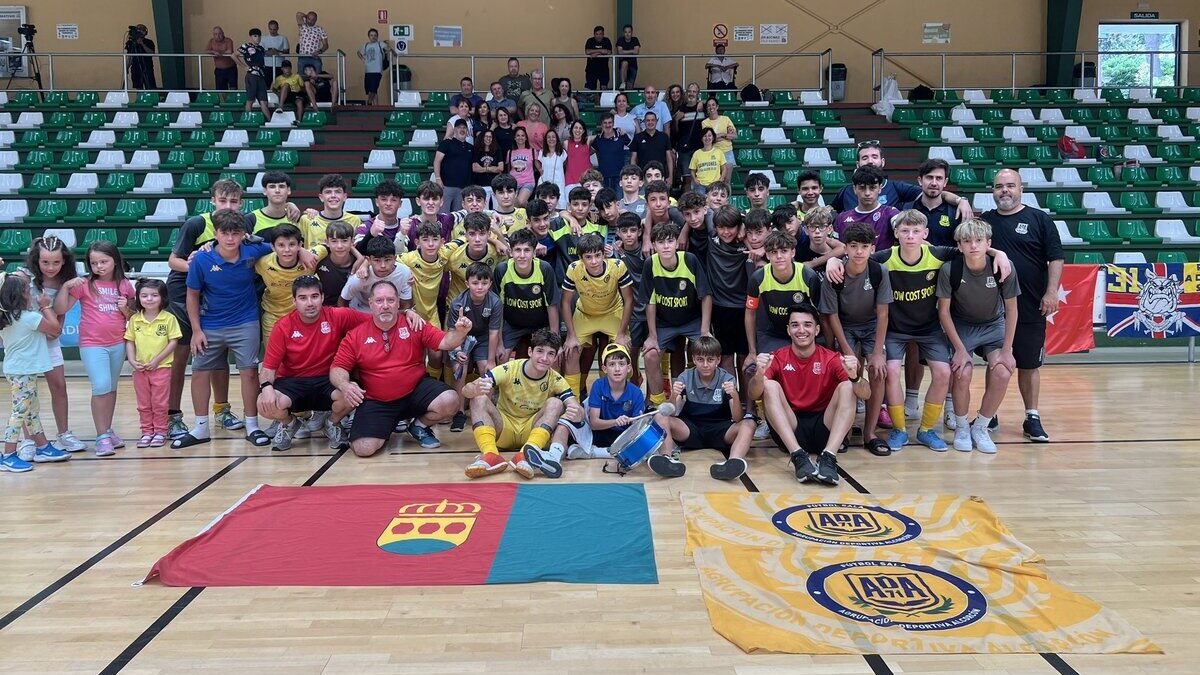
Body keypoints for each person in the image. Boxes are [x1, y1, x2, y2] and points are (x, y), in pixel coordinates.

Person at [173, 209, 281, 449]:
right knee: (200, 372)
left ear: (243, 234)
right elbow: (192, 295)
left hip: (246, 322)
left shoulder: (253, 251)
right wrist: (197, 330)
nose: (230, 238)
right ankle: (201, 427)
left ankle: (252, 425)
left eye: (236, 233)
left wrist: (303, 249)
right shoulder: (202, 258)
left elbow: (281, 245)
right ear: (217, 234)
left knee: (250, 372)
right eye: (225, 233)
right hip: (209, 324)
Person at [331, 281, 471, 456]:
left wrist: (459, 333)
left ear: (398, 303)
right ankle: (384, 427)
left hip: (414, 391)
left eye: (390, 300)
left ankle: (419, 426)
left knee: (450, 399)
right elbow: (337, 369)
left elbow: (446, 342)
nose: (385, 306)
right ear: (371, 303)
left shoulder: (414, 324)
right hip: (377, 400)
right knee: (363, 449)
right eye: (380, 301)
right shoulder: (356, 335)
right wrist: (345, 385)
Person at [981, 169, 1063, 443]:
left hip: (1030, 306)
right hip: (994, 309)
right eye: (999, 186)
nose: (1004, 191)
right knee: (995, 363)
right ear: (993, 190)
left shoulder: (1039, 219)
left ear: (1021, 189)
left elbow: (1055, 259)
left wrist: (1051, 292)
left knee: (1029, 365)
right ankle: (989, 414)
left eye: (1010, 186)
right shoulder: (987, 221)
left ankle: (1032, 416)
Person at [749, 304, 863, 486]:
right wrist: (759, 374)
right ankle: (798, 456)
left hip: (825, 427)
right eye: (795, 325)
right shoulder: (777, 357)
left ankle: (829, 456)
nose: (801, 330)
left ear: (817, 329)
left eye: (807, 325)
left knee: (849, 386)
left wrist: (855, 377)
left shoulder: (832, 358)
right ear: (788, 330)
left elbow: (866, 393)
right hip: (791, 428)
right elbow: (754, 393)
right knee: (768, 385)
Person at [259, 275, 373, 451]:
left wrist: (407, 313)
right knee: (263, 403)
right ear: (294, 301)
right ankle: (289, 424)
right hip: (293, 382)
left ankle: (332, 423)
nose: (310, 303)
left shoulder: (337, 316)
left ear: (322, 297)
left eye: (314, 296)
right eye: (303, 298)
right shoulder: (282, 327)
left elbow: (376, 319)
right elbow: (268, 368)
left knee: (354, 394)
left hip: (327, 380)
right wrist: (266, 388)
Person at [937, 219, 1020, 454]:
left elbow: (1012, 309)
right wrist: (961, 350)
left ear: (988, 243)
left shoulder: (1002, 266)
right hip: (962, 326)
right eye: (967, 241)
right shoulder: (950, 269)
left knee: (1003, 370)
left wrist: (1007, 349)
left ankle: (981, 426)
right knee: (962, 372)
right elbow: (943, 312)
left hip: (994, 325)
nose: (973, 245)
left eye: (979, 240)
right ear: (959, 246)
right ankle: (962, 426)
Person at [463, 328, 582, 479]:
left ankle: (526, 454)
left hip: (531, 430)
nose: (544, 358)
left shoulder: (556, 379)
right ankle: (491, 455)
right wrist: (475, 389)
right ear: (530, 351)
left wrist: (577, 412)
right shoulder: (509, 369)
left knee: (555, 403)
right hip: (503, 427)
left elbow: (576, 407)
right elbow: (465, 390)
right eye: (540, 351)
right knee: (478, 397)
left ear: (555, 357)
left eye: (550, 353)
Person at [818, 221, 893, 456]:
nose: (859, 251)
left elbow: (883, 314)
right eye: (853, 246)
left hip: (871, 326)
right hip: (845, 326)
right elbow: (832, 316)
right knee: (847, 374)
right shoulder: (834, 274)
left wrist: (878, 352)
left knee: (879, 372)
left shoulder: (879, 271)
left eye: (864, 246)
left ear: (872, 248)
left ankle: (870, 433)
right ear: (846, 249)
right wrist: (848, 351)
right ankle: (844, 432)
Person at [55, 241, 135, 457]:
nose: (99, 266)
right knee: (100, 386)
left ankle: (107, 429)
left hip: (117, 342)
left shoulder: (125, 285)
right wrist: (65, 287)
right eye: (94, 263)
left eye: (104, 261)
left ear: (115, 261)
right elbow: (61, 308)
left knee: (110, 387)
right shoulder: (84, 285)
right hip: (92, 344)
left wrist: (125, 308)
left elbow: (134, 317)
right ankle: (101, 437)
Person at [647, 335, 757, 480]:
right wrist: (674, 395)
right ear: (693, 359)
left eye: (710, 360)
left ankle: (733, 462)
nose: (705, 364)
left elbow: (737, 419)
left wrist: (735, 396)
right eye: (700, 359)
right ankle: (666, 459)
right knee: (660, 416)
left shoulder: (727, 378)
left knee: (749, 423)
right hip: (690, 430)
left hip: (721, 430)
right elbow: (671, 413)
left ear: (718, 360)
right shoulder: (685, 377)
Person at [13, 237, 85, 453]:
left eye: (56, 262)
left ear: (64, 261)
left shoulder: (69, 280)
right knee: (27, 392)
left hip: (49, 337)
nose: (51, 267)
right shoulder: (21, 277)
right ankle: (28, 440)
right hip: (25, 341)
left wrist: (55, 328)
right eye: (45, 262)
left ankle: (64, 434)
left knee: (59, 386)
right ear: (36, 259)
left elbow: (60, 314)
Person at [0, 274, 68, 471]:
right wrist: (46, 306)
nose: (31, 294)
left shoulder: (7, 317)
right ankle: (8, 455)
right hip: (23, 371)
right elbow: (55, 330)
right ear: (20, 295)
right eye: (28, 291)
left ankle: (43, 446)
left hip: (17, 369)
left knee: (31, 410)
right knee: (20, 411)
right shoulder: (30, 318)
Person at [641, 222, 711, 408]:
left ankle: (703, 402)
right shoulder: (651, 264)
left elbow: (706, 295)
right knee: (650, 355)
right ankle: (658, 404)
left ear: (676, 244)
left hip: (692, 320)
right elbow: (650, 301)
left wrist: (704, 331)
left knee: (706, 350)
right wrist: (652, 336)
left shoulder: (689, 260)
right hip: (665, 323)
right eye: (661, 242)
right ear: (653, 245)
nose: (665, 246)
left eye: (670, 241)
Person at [561, 233, 635, 399]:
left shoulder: (617, 266)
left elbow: (629, 300)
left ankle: (615, 396)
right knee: (571, 350)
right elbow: (565, 302)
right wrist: (571, 336)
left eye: (597, 255)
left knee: (621, 350)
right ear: (581, 258)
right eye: (588, 257)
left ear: (604, 254)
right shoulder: (574, 269)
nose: (594, 261)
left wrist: (622, 334)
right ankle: (573, 398)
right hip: (585, 314)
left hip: (612, 312)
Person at [831, 141, 975, 222]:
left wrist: (961, 200)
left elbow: (934, 192)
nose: (870, 161)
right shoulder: (846, 190)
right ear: (857, 164)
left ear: (882, 162)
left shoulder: (896, 187)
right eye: (865, 158)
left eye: (874, 156)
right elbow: (830, 210)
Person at [124, 279, 182, 449]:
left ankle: (161, 432)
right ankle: (146, 432)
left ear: (163, 298)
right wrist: (133, 361)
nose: (149, 299)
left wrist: (157, 360)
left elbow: (173, 342)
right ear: (138, 298)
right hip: (140, 371)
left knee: (160, 403)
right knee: (143, 403)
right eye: (144, 295)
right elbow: (130, 342)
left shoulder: (169, 318)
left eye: (154, 295)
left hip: (161, 369)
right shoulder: (135, 319)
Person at [834, 165, 901, 250]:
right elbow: (836, 249)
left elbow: (904, 229)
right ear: (854, 189)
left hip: (882, 263)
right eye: (862, 188)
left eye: (872, 187)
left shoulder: (890, 213)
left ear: (880, 188)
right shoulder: (842, 218)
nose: (867, 193)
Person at [340, 237, 413, 312]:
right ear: (369, 260)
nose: (383, 265)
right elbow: (342, 302)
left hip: (391, 313)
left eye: (387, 260)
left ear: (394, 259)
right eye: (377, 260)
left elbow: (405, 307)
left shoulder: (404, 273)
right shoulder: (359, 277)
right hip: (362, 311)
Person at [902, 158, 959, 247]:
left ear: (945, 182)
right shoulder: (904, 210)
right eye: (929, 177)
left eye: (939, 178)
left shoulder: (956, 213)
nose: (934, 183)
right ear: (920, 180)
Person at [434, 119, 475, 211]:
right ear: (454, 129)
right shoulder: (446, 143)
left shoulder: (470, 147)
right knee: (443, 214)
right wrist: (438, 178)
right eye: (459, 127)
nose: (462, 129)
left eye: (464, 127)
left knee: (459, 216)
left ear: (467, 130)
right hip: (447, 186)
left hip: (463, 187)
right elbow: (437, 161)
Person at [237, 29, 272, 121]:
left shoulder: (260, 48)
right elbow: (233, 55)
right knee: (250, 100)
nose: (257, 38)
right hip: (252, 75)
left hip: (261, 76)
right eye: (255, 36)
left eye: (259, 36)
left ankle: (270, 122)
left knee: (264, 102)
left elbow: (266, 54)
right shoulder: (246, 46)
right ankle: (247, 121)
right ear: (251, 37)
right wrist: (243, 66)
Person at [630, 112, 673, 187]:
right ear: (644, 122)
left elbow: (669, 159)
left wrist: (671, 177)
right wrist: (635, 176)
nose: (650, 122)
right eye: (648, 120)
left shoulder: (664, 137)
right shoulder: (638, 137)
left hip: (661, 177)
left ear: (657, 121)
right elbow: (633, 159)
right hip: (643, 178)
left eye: (653, 120)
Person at [701, 97, 737, 184]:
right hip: (713, 153)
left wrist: (721, 135)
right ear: (707, 109)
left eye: (713, 105)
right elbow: (708, 139)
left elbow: (734, 136)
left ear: (717, 106)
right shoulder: (705, 122)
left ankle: (727, 198)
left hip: (727, 152)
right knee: (715, 181)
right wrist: (723, 135)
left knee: (727, 181)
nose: (711, 107)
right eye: (709, 106)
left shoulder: (726, 119)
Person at [688, 127, 726, 194]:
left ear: (713, 137)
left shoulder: (719, 152)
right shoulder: (697, 153)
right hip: (700, 185)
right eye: (704, 136)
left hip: (715, 185)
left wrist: (721, 179)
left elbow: (724, 168)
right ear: (701, 138)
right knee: (700, 203)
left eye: (709, 135)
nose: (707, 138)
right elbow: (692, 170)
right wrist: (694, 179)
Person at [358, 29, 389, 106]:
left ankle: (369, 102)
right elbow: (358, 52)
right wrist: (362, 59)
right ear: (369, 36)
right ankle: (375, 106)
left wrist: (389, 53)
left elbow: (388, 49)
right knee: (371, 90)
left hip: (377, 70)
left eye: (375, 35)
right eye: (371, 35)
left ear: (377, 36)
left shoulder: (381, 44)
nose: (373, 37)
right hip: (368, 71)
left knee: (373, 88)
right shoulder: (365, 46)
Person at [125, 24, 157, 90]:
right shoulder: (131, 43)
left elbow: (151, 53)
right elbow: (130, 57)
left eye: (143, 30)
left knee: (150, 88)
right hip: (136, 70)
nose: (141, 32)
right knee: (139, 89)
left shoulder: (149, 42)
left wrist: (142, 43)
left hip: (147, 68)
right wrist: (126, 68)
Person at [207, 27, 237, 96]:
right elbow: (206, 51)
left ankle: (233, 104)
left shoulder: (228, 40)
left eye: (220, 34)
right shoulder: (211, 41)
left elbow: (229, 51)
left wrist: (219, 53)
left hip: (231, 68)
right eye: (216, 34)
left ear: (223, 34)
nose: (218, 36)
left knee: (233, 88)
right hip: (219, 70)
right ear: (213, 35)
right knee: (221, 90)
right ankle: (223, 104)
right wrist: (213, 52)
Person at [584, 26, 613, 91]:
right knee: (591, 90)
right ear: (594, 34)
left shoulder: (606, 40)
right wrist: (601, 51)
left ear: (603, 34)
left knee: (604, 89)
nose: (598, 36)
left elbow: (609, 52)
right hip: (591, 70)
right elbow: (587, 51)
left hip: (604, 70)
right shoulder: (590, 41)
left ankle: (602, 101)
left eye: (600, 34)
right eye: (597, 34)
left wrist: (596, 53)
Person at [616, 24, 641, 89]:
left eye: (629, 32)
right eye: (626, 32)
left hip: (633, 65)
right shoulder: (620, 40)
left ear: (632, 33)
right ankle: (623, 83)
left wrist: (625, 51)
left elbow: (636, 52)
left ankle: (628, 97)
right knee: (624, 62)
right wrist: (632, 51)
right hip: (623, 65)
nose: (627, 34)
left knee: (630, 86)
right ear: (623, 33)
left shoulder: (635, 39)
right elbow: (620, 52)